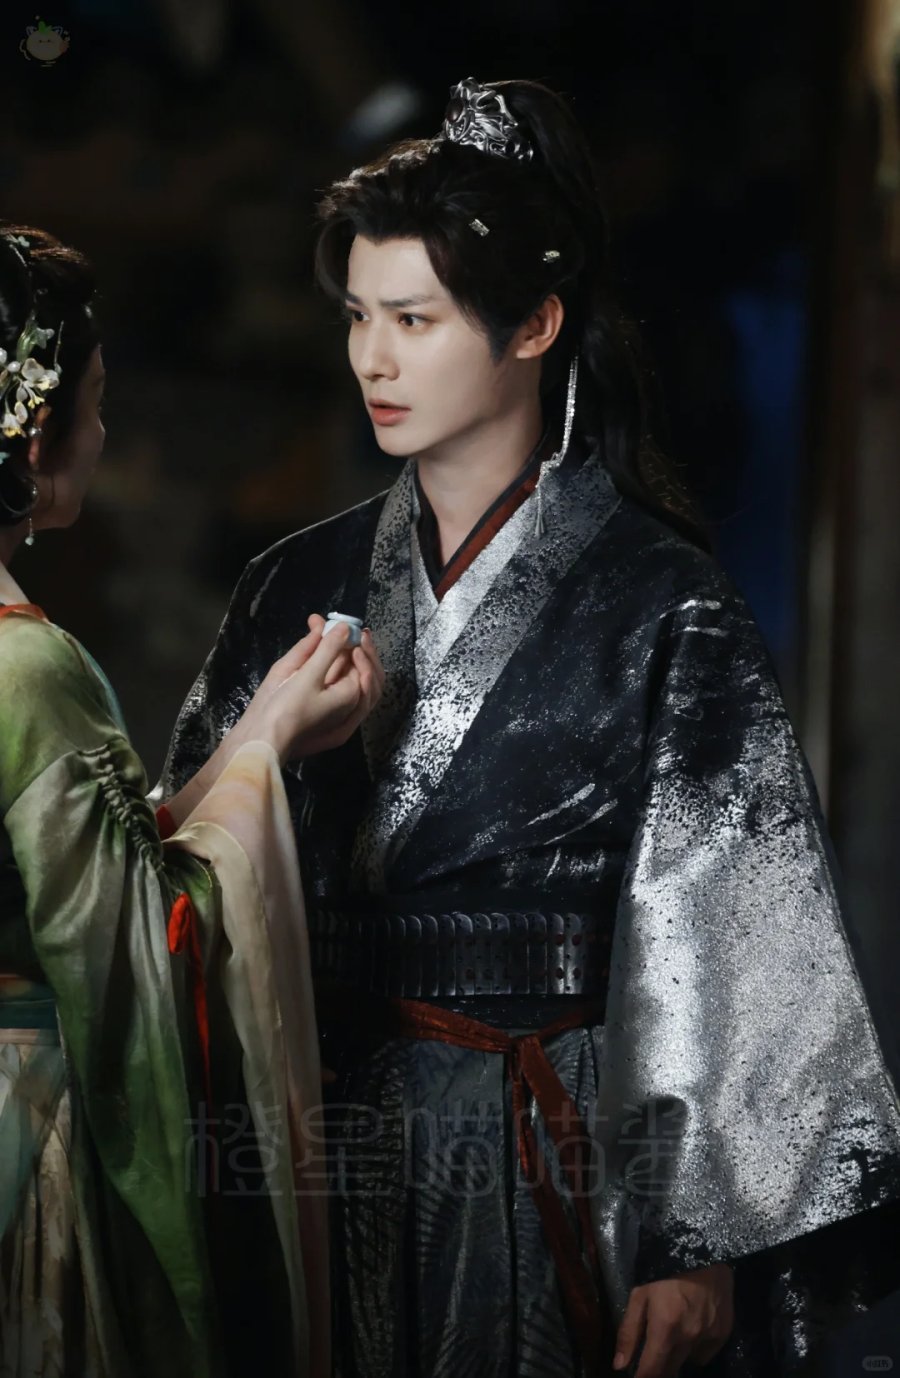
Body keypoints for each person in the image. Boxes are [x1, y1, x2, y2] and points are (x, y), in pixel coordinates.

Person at [161, 79, 900, 1377]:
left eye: (414, 319)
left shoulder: (661, 598)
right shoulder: (293, 583)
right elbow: (174, 875)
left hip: (556, 1142)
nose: (374, 359)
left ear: (536, 324)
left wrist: (695, 1236)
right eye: (358, 318)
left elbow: (734, 920)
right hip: (317, 1138)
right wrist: (264, 753)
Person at [0, 223, 384, 1378]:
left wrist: (251, 738)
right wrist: (271, 747)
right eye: (96, 404)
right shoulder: (27, 667)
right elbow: (138, 956)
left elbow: (105, 869)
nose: (102, 435)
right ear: (33, 429)